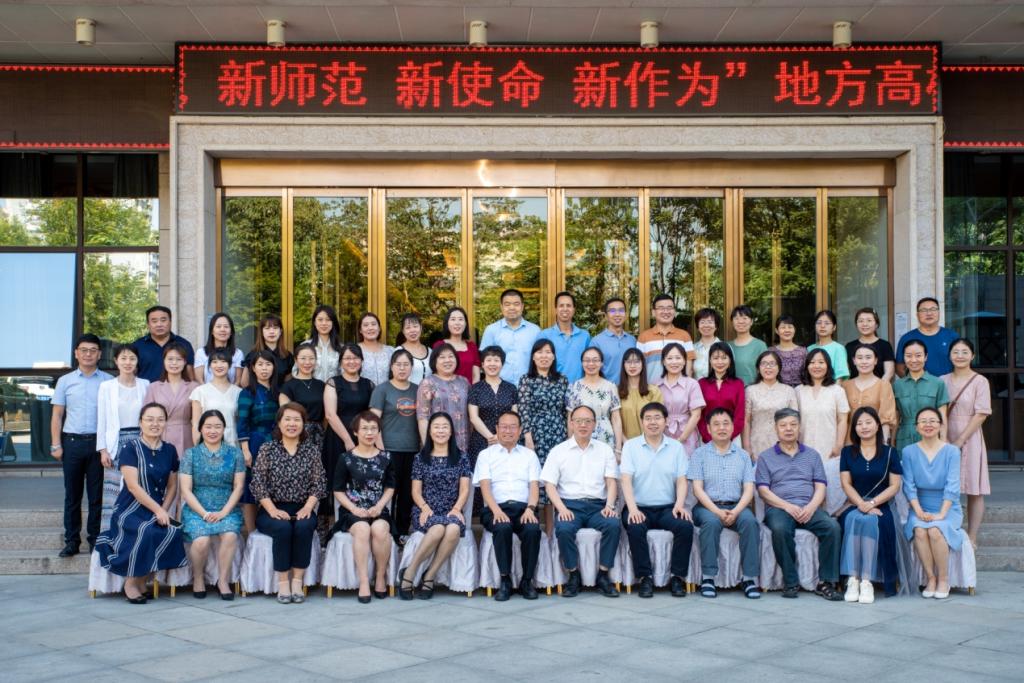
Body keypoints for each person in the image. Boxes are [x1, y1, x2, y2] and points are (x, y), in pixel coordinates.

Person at [95, 403, 187, 603]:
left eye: (160, 420)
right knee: (147, 530)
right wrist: (158, 511)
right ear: (140, 422)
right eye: (149, 419)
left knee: (172, 531)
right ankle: (131, 582)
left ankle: (142, 580)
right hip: (130, 509)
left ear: (166, 423)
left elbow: (173, 486)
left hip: (157, 508)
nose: (155, 424)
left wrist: (163, 510)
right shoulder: (131, 448)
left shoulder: (170, 450)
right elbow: (133, 487)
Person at [755, 408, 843, 600]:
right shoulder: (765, 457)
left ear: (799, 427)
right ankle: (790, 581)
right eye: (783, 425)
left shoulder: (812, 455)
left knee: (832, 527)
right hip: (779, 508)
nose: (788, 429)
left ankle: (826, 582)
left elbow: (820, 487)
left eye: (793, 425)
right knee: (780, 528)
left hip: (808, 506)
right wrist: (787, 506)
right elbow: (763, 491)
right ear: (776, 428)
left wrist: (810, 507)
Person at [251, 403, 327, 604]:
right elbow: (258, 483)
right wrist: (272, 509)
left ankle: (297, 581)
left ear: (303, 424)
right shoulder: (268, 449)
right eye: (287, 419)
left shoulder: (311, 450)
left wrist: (308, 507)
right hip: (271, 508)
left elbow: (319, 483)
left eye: (297, 420)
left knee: (304, 527)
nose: (292, 424)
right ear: (279, 423)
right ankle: (283, 582)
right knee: (282, 528)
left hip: (303, 506)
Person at [543, 405, 621, 598]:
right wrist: (561, 509)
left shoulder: (604, 450)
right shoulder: (558, 451)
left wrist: (609, 506)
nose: (583, 425)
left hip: (598, 506)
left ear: (594, 424)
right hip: (570, 506)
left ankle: (603, 575)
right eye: (578, 421)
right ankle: (573, 575)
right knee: (564, 528)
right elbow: (549, 485)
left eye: (587, 421)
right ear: (571, 423)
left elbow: (611, 482)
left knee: (613, 524)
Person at [620, 402, 693, 598]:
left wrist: (679, 505)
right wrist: (633, 509)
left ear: (666, 421)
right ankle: (645, 578)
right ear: (642, 422)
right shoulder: (631, 446)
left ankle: (677, 577)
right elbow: (626, 480)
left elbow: (682, 480)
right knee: (635, 526)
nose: (653, 422)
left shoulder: (676, 447)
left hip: (667, 508)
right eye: (648, 418)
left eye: (657, 418)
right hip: (639, 507)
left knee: (685, 526)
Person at [398, 412, 473, 600]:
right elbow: (415, 491)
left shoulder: (461, 457)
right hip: (426, 509)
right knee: (438, 528)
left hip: (451, 509)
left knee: (454, 529)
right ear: (430, 431)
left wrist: (456, 509)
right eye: (436, 427)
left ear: (451, 432)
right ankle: (410, 571)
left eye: (444, 427)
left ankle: (430, 575)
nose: (440, 431)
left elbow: (465, 489)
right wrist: (424, 507)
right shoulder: (420, 458)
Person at [51, 334, 113, 557]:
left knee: (96, 496)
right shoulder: (65, 381)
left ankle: (95, 539)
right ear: (76, 353)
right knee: (72, 495)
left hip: (98, 444)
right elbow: (57, 415)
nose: (88, 354)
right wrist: (55, 445)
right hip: (72, 443)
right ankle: (72, 541)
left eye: (93, 350)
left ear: (99, 354)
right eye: (84, 350)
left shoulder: (108, 381)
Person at [689, 408, 761, 599]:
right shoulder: (699, 454)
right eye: (716, 424)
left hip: (736, 506)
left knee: (750, 522)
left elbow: (749, 490)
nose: (721, 428)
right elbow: (697, 490)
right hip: (707, 507)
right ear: (708, 429)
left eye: (726, 423)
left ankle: (749, 579)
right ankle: (708, 577)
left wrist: (736, 512)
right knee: (711, 522)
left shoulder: (743, 456)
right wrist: (717, 512)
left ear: (733, 427)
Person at [474, 411, 542, 601]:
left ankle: (527, 581)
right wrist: (496, 511)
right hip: (495, 509)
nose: (508, 431)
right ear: (496, 429)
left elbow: (534, 486)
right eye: (504, 427)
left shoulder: (529, 455)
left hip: (523, 508)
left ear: (520, 430)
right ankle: (505, 580)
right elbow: (485, 487)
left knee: (532, 529)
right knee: (502, 527)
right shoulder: (485, 455)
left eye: (513, 427)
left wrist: (530, 509)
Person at [838, 407, 904, 603]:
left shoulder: (890, 452)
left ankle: (866, 581)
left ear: (877, 425)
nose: (864, 427)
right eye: (859, 423)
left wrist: (873, 503)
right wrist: (862, 504)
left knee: (868, 521)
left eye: (868, 422)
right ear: (854, 428)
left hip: (882, 505)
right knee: (855, 518)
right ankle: (853, 580)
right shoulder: (847, 452)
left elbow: (894, 486)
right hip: (854, 504)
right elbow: (846, 484)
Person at [179, 409, 245, 600]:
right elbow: (186, 490)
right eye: (208, 427)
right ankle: (198, 578)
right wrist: (204, 513)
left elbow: (239, 487)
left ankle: (222, 581)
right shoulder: (191, 454)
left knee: (230, 535)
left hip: (227, 508)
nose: (213, 431)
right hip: (197, 509)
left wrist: (224, 512)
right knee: (201, 540)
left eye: (217, 426)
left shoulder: (235, 453)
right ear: (200, 429)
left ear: (224, 429)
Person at [333, 411, 396, 603]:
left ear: (379, 432)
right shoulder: (346, 458)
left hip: (378, 509)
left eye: (373, 429)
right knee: (362, 529)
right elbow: (337, 490)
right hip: (353, 510)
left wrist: (380, 506)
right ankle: (363, 581)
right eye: (365, 429)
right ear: (355, 432)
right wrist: (354, 509)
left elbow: (390, 486)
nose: (369, 433)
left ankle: (380, 576)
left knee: (379, 529)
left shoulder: (386, 457)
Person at [902, 407, 963, 599]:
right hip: (919, 505)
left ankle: (944, 579)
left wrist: (942, 514)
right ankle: (931, 578)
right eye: (923, 421)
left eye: (932, 421)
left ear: (940, 425)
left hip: (947, 507)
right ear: (916, 427)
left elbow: (952, 485)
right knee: (920, 530)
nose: (927, 425)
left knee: (936, 530)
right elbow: (909, 486)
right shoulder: (908, 452)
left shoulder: (952, 451)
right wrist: (918, 511)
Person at [942, 338, 991, 548]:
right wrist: (944, 437)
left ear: (972, 356)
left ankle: (972, 536)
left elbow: (982, 414)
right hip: (944, 435)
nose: (960, 356)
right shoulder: (942, 380)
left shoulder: (980, 381)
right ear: (949, 355)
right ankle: (946, 531)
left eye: (964, 352)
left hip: (971, 437)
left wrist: (961, 439)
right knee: (944, 486)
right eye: (955, 352)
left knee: (974, 488)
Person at [97, 343, 150, 531]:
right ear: (116, 361)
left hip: (141, 442)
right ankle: (110, 535)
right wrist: (103, 450)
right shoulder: (106, 387)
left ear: (137, 361)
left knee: (139, 489)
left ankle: (136, 534)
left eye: (132, 358)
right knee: (114, 493)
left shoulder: (145, 384)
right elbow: (102, 420)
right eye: (123, 358)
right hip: (116, 443)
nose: (128, 362)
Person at [369, 349, 421, 538]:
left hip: (413, 449)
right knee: (389, 492)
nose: (402, 368)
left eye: (406, 364)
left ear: (411, 367)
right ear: (391, 367)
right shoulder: (382, 389)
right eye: (398, 364)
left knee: (407, 494)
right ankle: (386, 531)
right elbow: (373, 422)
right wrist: (380, 448)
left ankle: (402, 532)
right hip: (389, 448)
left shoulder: (418, 390)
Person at [323, 344, 374, 536]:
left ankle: (358, 519)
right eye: (347, 358)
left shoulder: (369, 384)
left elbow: (371, 415)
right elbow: (330, 414)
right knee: (336, 480)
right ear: (341, 362)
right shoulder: (333, 383)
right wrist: (347, 439)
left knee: (359, 479)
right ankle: (334, 525)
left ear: (361, 361)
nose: (351, 362)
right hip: (338, 437)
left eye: (355, 358)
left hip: (363, 437)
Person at [518, 338, 570, 517]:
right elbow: (523, 408)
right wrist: (527, 437)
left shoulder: (562, 380)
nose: (544, 356)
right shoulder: (526, 379)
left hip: (557, 433)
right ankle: (533, 524)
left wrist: (568, 436)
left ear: (554, 356)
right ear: (533, 356)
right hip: (535, 435)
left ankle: (552, 529)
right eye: (540, 352)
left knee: (555, 479)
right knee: (535, 478)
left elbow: (566, 410)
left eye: (548, 352)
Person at [796, 349, 850, 515]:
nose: (816, 366)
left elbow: (843, 419)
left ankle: (828, 521)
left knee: (829, 487)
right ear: (806, 366)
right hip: (803, 448)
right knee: (805, 487)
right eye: (812, 362)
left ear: (828, 365)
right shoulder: (798, 390)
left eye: (821, 362)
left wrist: (839, 445)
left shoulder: (837, 390)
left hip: (829, 448)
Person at [236, 350, 280, 533]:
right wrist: (246, 451)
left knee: (273, 486)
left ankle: (270, 528)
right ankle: (252, 533)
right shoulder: (247, 393)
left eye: (268, 364)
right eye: (260, 364)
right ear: (253, 368)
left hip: (278, 444)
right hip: (255, 443)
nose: (264, 368)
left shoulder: (279, 392)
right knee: (252, 489)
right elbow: (242, 423)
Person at [144, 343, 199, 474]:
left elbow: (198, 419)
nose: (174, 363)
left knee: (184, 475)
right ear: (163, 361)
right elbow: (146, 417)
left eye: (179, 359)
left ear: (185, 362)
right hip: (159, 435)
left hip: (185, 436)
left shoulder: (194, 387)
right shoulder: (154, 387)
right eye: (170, 359)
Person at [894, 340, 949, 452]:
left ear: (925, 357)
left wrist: (943, 441)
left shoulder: (937, 383)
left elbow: (943, 417)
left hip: (931, 436)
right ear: (904, 358)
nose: (914, 360)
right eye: (909, 356)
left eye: (918, 355)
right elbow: (896, 417)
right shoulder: (897, 385)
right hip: (904, 438)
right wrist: (892, 442)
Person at [566, 347, 623, 455]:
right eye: (587, 360)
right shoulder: (574, 387)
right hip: (581, 437)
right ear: (582, 363)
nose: (591, 364)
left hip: (605, 438)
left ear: (601, 363)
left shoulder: (610, 386)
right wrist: (570, 443)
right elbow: (570, 418)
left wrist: (618, 448)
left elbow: (616, 418)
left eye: (595, 360)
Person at [468, 346, 519, 466]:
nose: (492, 364)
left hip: (507, 439)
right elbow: (473, 417)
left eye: (496, 360)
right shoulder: (475, 389)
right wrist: (491, 437)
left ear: (502, 364)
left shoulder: (511, 388)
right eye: (489, 360)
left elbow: (514, 415)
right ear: (482, 364)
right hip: (481, 440)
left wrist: (501, 437)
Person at [743, 350, 797, 459]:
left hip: (783, 445)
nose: (768, 367)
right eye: (764, 364)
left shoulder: (789, 391)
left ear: (779, 368)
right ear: (758, 368)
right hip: (757, 444)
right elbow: (746, 421)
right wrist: (747, 446)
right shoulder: (750, 390)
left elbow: (795, 421)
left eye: (772, 364)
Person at [417, 344, 471, 454]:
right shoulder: (428, 383)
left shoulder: (464, 382)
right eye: (442, 357)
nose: (447, 360)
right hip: (438, 444)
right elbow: (422, 417)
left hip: (464, 442)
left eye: (451, 356)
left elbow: (471, 413)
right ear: (434, 361)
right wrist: (428, 446)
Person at [480, 288, 540, 385]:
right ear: (501, 307)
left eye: (516, 304)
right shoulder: (491, 330)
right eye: (507, 304)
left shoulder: (535, 331)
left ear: (522, 306)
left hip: (529, 386)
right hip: (499, 387)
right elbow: (484, 360)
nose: (512, 308)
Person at [843, 345, 897, 444]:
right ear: (854, 361)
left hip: (875, 441)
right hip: (849, 441)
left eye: (868, 357)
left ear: (875, 360)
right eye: (860, 358)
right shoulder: (845, 386)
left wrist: (883, 443)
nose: (864, 362)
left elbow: (886, 418)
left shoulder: (884, 385)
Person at [656, 343, 704, 453]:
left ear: (684, 361)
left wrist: (681, 439)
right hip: (663, 435)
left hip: (687, 434)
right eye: (670, 358)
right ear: (663, 362)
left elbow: (696, 415)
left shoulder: (692, 384)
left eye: (678, 358)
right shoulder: (656, 385)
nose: (674, 362)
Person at [896, 297, 959, 377]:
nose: (929, 313)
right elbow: (899, 368)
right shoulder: (907, 338)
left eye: (933, 309)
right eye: (924, 310)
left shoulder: (952, 336)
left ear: (939, 312)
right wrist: (913, 382)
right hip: (918, 384)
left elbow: (961, 363)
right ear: (917, 315)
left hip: (947, 384)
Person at [638, 294, 695, 381]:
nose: (666, 311)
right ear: (653, 312)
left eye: (669, 308)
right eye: (661, 308)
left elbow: (689, 368)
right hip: (651, 388)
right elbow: (639, 366)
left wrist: (686, 387)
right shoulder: (643, 337)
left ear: (674, 312)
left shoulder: (685, 336)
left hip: (679, 388)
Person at [279, 342, 326, 449]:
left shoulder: (322, 385)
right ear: (296, 360)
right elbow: (284, 416)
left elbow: (327, 415)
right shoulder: (288, 387)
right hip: (296, 433)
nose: (307, 362)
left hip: (319, 434)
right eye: (303, 358)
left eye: (311, 358)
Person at [537, 291, 592, 382]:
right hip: (552, 387)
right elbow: (538, 365)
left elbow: (590, 363)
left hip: (579, 387)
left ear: (574, 309)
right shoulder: (545, 335)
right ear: (555, 309)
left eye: (568, 305)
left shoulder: (584, 336)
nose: (565, 309)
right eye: (561, 305)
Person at [697, 342, 744, 446]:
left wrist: (727, 437)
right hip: (707, 439)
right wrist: (708, 437)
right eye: (715, 358)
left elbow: (740, 415)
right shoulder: (701, 384)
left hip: (732, 439)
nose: (720, 362)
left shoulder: (738, 384)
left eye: (724, 358)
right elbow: (699, 416)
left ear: (730, 360)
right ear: (710, 361)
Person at [134, 305, 195, 382]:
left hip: (177, 389)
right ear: (148, 324)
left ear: (170, 322)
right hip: (146, 389)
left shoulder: (184, 344)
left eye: (163, 320)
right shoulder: (137, 346)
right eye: (154, 321)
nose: (159, 324)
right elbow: (132, 373)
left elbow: (190, 375)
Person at [617, 348, 663, 440]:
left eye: (637, 362)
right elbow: (614, 420)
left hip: (649, 442)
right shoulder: (616, 391)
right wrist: (625, 442)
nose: (632, 366)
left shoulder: (654, 391)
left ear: (643, 364)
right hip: (625, 443)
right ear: (623, 365)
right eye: (628, 362)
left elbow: (658, 420)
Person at [590, 297, 637, 385]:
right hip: (606, 390)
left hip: (630, 390)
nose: (617, 314)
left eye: (621, 310)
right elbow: (592, 370)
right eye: (612, 311)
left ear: (626, 315)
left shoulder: (632, 340)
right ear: (606, 316)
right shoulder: (596, 342)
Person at [194, 312, 245, 385]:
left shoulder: (237, 353)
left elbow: (238, 380)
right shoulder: (201, 352)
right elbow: (199, 379)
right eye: (218, 326)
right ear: (212, 331)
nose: (222, 329)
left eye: (226, 326)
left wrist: (229, 391)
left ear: (231, 332)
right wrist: (208, 391)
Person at [845, 308, 895, 381]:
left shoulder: (884, 345)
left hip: (879, 386)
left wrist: (879, 386)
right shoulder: (849, 346)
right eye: (861, 321)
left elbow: (889, 372)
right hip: (854, 387)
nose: (865, 324)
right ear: (856, 324)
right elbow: (845, 372)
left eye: (869, 320)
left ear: (876, 324)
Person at [243, 314, 293, 387]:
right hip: (258, 394)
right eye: (267, 328)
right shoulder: (253, 355)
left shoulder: (287, 356)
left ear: (280, 331)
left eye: (275, 328)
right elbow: (244, 383)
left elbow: (288, 384)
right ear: (261, 332)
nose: (271, 332)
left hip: (280, 394)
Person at [434, 307, 481, 384]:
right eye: (453, 319)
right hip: (444, 390)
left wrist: (473, 391)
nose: (457, 323)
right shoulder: (439, 345)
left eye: (460, 319)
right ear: (447, 323)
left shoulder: (472, 347)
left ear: (465, 323)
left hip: (469, 390)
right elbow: (436, 373)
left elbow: (476, 376)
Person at [727, 305, 768, 386]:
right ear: (732, 322)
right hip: (730, 391)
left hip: (753, 390)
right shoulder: (727, 346)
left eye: (745, 318)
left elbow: (766, 371)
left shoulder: (760, 345)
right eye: (736, 318)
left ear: (751, 321)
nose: (740, 321)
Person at [807, 309, 850, 382]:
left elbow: (840, 377)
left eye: (827, 323)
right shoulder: (810, 348)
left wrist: (834, 389)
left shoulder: (838, 348)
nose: (822, 326)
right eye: (819, 323)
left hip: (832, 387)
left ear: (834, 327)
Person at [306, 305, 343, 382]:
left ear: (333, 323)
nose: (324, 323)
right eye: (320, 320)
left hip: (335, 388)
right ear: (314, 322)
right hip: (311, 388)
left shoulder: (341, 347)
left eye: (328, 320)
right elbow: (297, 372)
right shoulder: (306, 346)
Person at [357, 312, 394, 386]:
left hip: (386, 392)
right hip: (362, 392)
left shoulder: (390, 351)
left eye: (373, 324)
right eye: (366, 325)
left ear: (379, 328)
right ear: (360, 330)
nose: (370, 328)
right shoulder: (354, 351)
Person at [770, 314, 806, 387]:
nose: (787, 330)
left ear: (794, 330)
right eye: (783, 327)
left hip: (799, 390)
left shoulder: (803, 351)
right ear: (777, 331)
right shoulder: (771, 352)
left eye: (790, 327)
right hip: (777, 390)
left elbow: (807, 375)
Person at [396, 313, 432, 385]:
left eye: (415, 326)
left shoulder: (430, 351)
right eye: (408, 328)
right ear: (403, 331)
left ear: (421, 328)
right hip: (407, 391)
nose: (412, 330)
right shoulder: (398, 351)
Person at [690, 307, 722, 381]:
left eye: (710, 322)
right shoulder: (692, 348)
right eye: (702, 322)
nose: (706, 325)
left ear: (716, 326)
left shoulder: (725, 347)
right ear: (698, 326)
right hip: (696, 387)